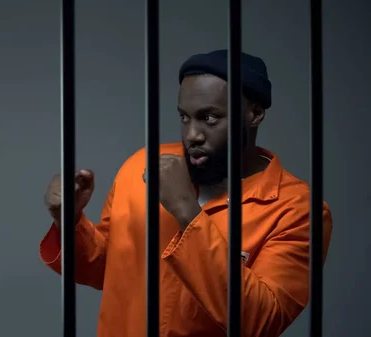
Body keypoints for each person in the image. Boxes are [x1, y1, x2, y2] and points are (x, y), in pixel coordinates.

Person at [39, 49, 333, 337]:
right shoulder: (141, 166)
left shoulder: (297, 210)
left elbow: (261, 321)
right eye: (184, 117)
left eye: (209, 118)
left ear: (254, 114)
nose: (192, 134)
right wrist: (70, 222)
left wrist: (186, 210)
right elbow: (107, 268)